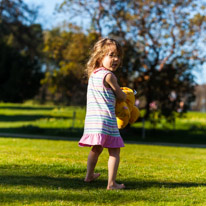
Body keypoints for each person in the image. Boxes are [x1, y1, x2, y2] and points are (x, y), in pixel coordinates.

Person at [79, 38, 126, 190]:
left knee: (96, 148)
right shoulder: (109, 76)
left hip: (93, 120)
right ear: (100, 57)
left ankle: (89, 175)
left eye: (118, 56)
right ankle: (111, 184)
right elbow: (120, 96)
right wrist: (126, 94)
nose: (116, 59)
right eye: (111, 55)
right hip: (106, 119)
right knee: (114, 151)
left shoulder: (94, 75)